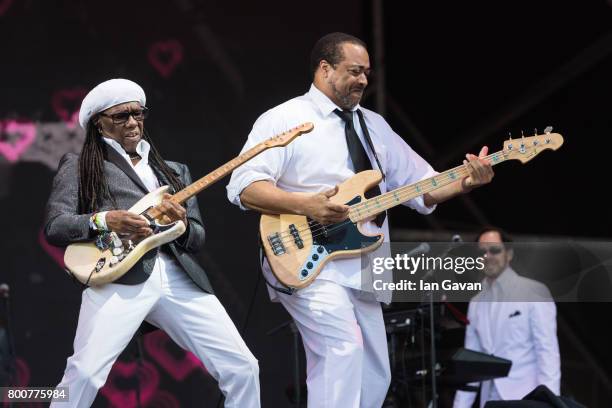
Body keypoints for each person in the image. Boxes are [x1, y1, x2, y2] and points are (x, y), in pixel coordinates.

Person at [227, 33, 494, 407]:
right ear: (325, 68)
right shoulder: (286, 118)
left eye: (367, 72)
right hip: (307, 259)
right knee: (342, 349)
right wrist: (308, 206)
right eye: (354, 71)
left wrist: (466, 180)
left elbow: (422, 188)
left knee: (374, 375)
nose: (364, 80)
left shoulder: (374, 125)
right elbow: (244, 186)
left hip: (366, 265)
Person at [44, 79, 260, 407]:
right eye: (120, 116)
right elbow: (56, 226)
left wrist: (183, 224)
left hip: (178, 277)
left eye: (138, 114)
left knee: (243, 367)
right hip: (118, 276)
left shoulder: (173, 171)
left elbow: (197, 238)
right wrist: (104, 221)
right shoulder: (81, 165)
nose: (132, 122)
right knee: (85, 374)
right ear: (97, 123)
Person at [453, 227, 561, 407]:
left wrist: (551, 402)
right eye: (482, 251)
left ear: (509, 254)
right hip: (490, 400)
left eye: (494, 250)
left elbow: (547, 352)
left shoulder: (534, 291)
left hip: (527, 398)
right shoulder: (476, 302)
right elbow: (471, 363)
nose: (488, 255)